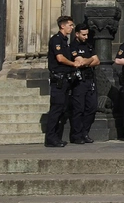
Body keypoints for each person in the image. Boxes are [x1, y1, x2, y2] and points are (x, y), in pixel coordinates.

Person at [45, 15, 79, 148]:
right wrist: (73, 64)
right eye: (70, 25)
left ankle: (56, 137)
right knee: (56, 109)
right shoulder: (56, 40)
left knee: (62, 109)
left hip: (65, 79)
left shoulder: (65, 41)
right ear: (62, 26)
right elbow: (60, 58)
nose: (72, 27)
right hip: (58, 79)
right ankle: (50, 138)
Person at [69, 23, 100, 144]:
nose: (86, 37)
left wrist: (87, 61)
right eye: (83, 35)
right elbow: (80, 62)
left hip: (90, 79)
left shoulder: (88, 45)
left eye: (87, 34)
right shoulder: (73, 46)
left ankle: (85, 132)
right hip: (79, 81)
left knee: (92, 107)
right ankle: (76, 135)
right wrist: (90, 60)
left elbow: (97, 61)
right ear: (77, 34)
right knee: (79, 109)